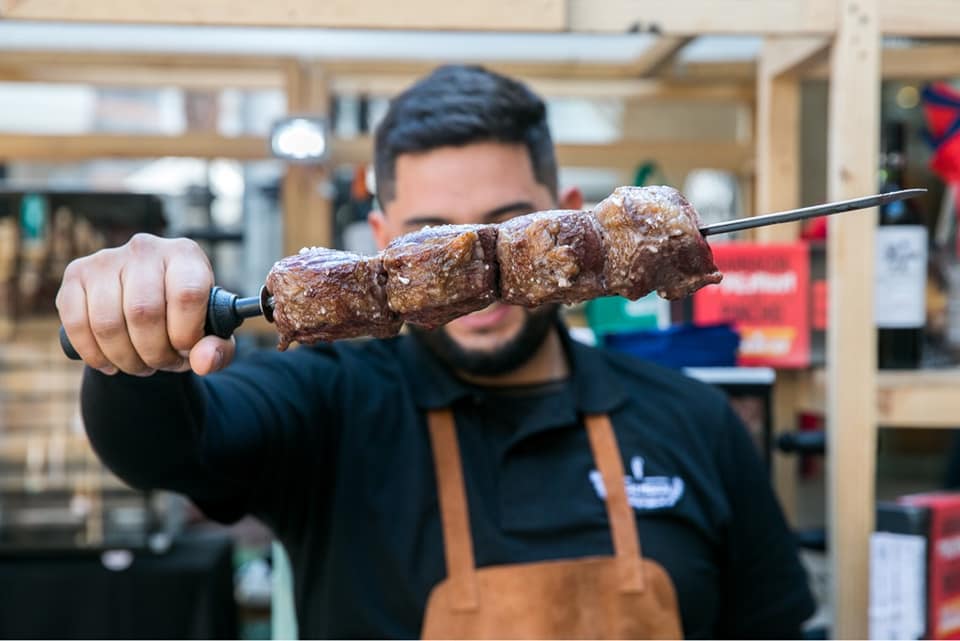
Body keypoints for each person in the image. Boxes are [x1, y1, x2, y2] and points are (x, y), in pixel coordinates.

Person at [58, 65, 815, 639]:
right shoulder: (329, 402)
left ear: (571, 217)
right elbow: (166, 448)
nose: (474, 278)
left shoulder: (697, 422)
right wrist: (133, 356)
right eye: (430, 237)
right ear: (384, 240)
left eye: (507, 229)